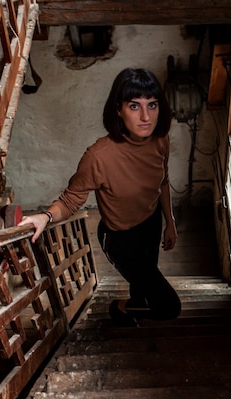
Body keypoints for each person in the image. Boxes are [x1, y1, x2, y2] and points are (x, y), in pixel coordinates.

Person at [18, 68, 181, 327]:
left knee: (142, 283)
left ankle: (135, 305)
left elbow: (162, 181)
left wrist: (170, 222)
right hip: (120, 238)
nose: (146, 116)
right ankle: (119, 308)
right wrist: (45, 216)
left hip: (151, 224)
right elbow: (71, 200)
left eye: (152, 104)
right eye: (134, 106)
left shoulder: (160, 140)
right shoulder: (98, 157)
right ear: (118, 109)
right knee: (169, 307)